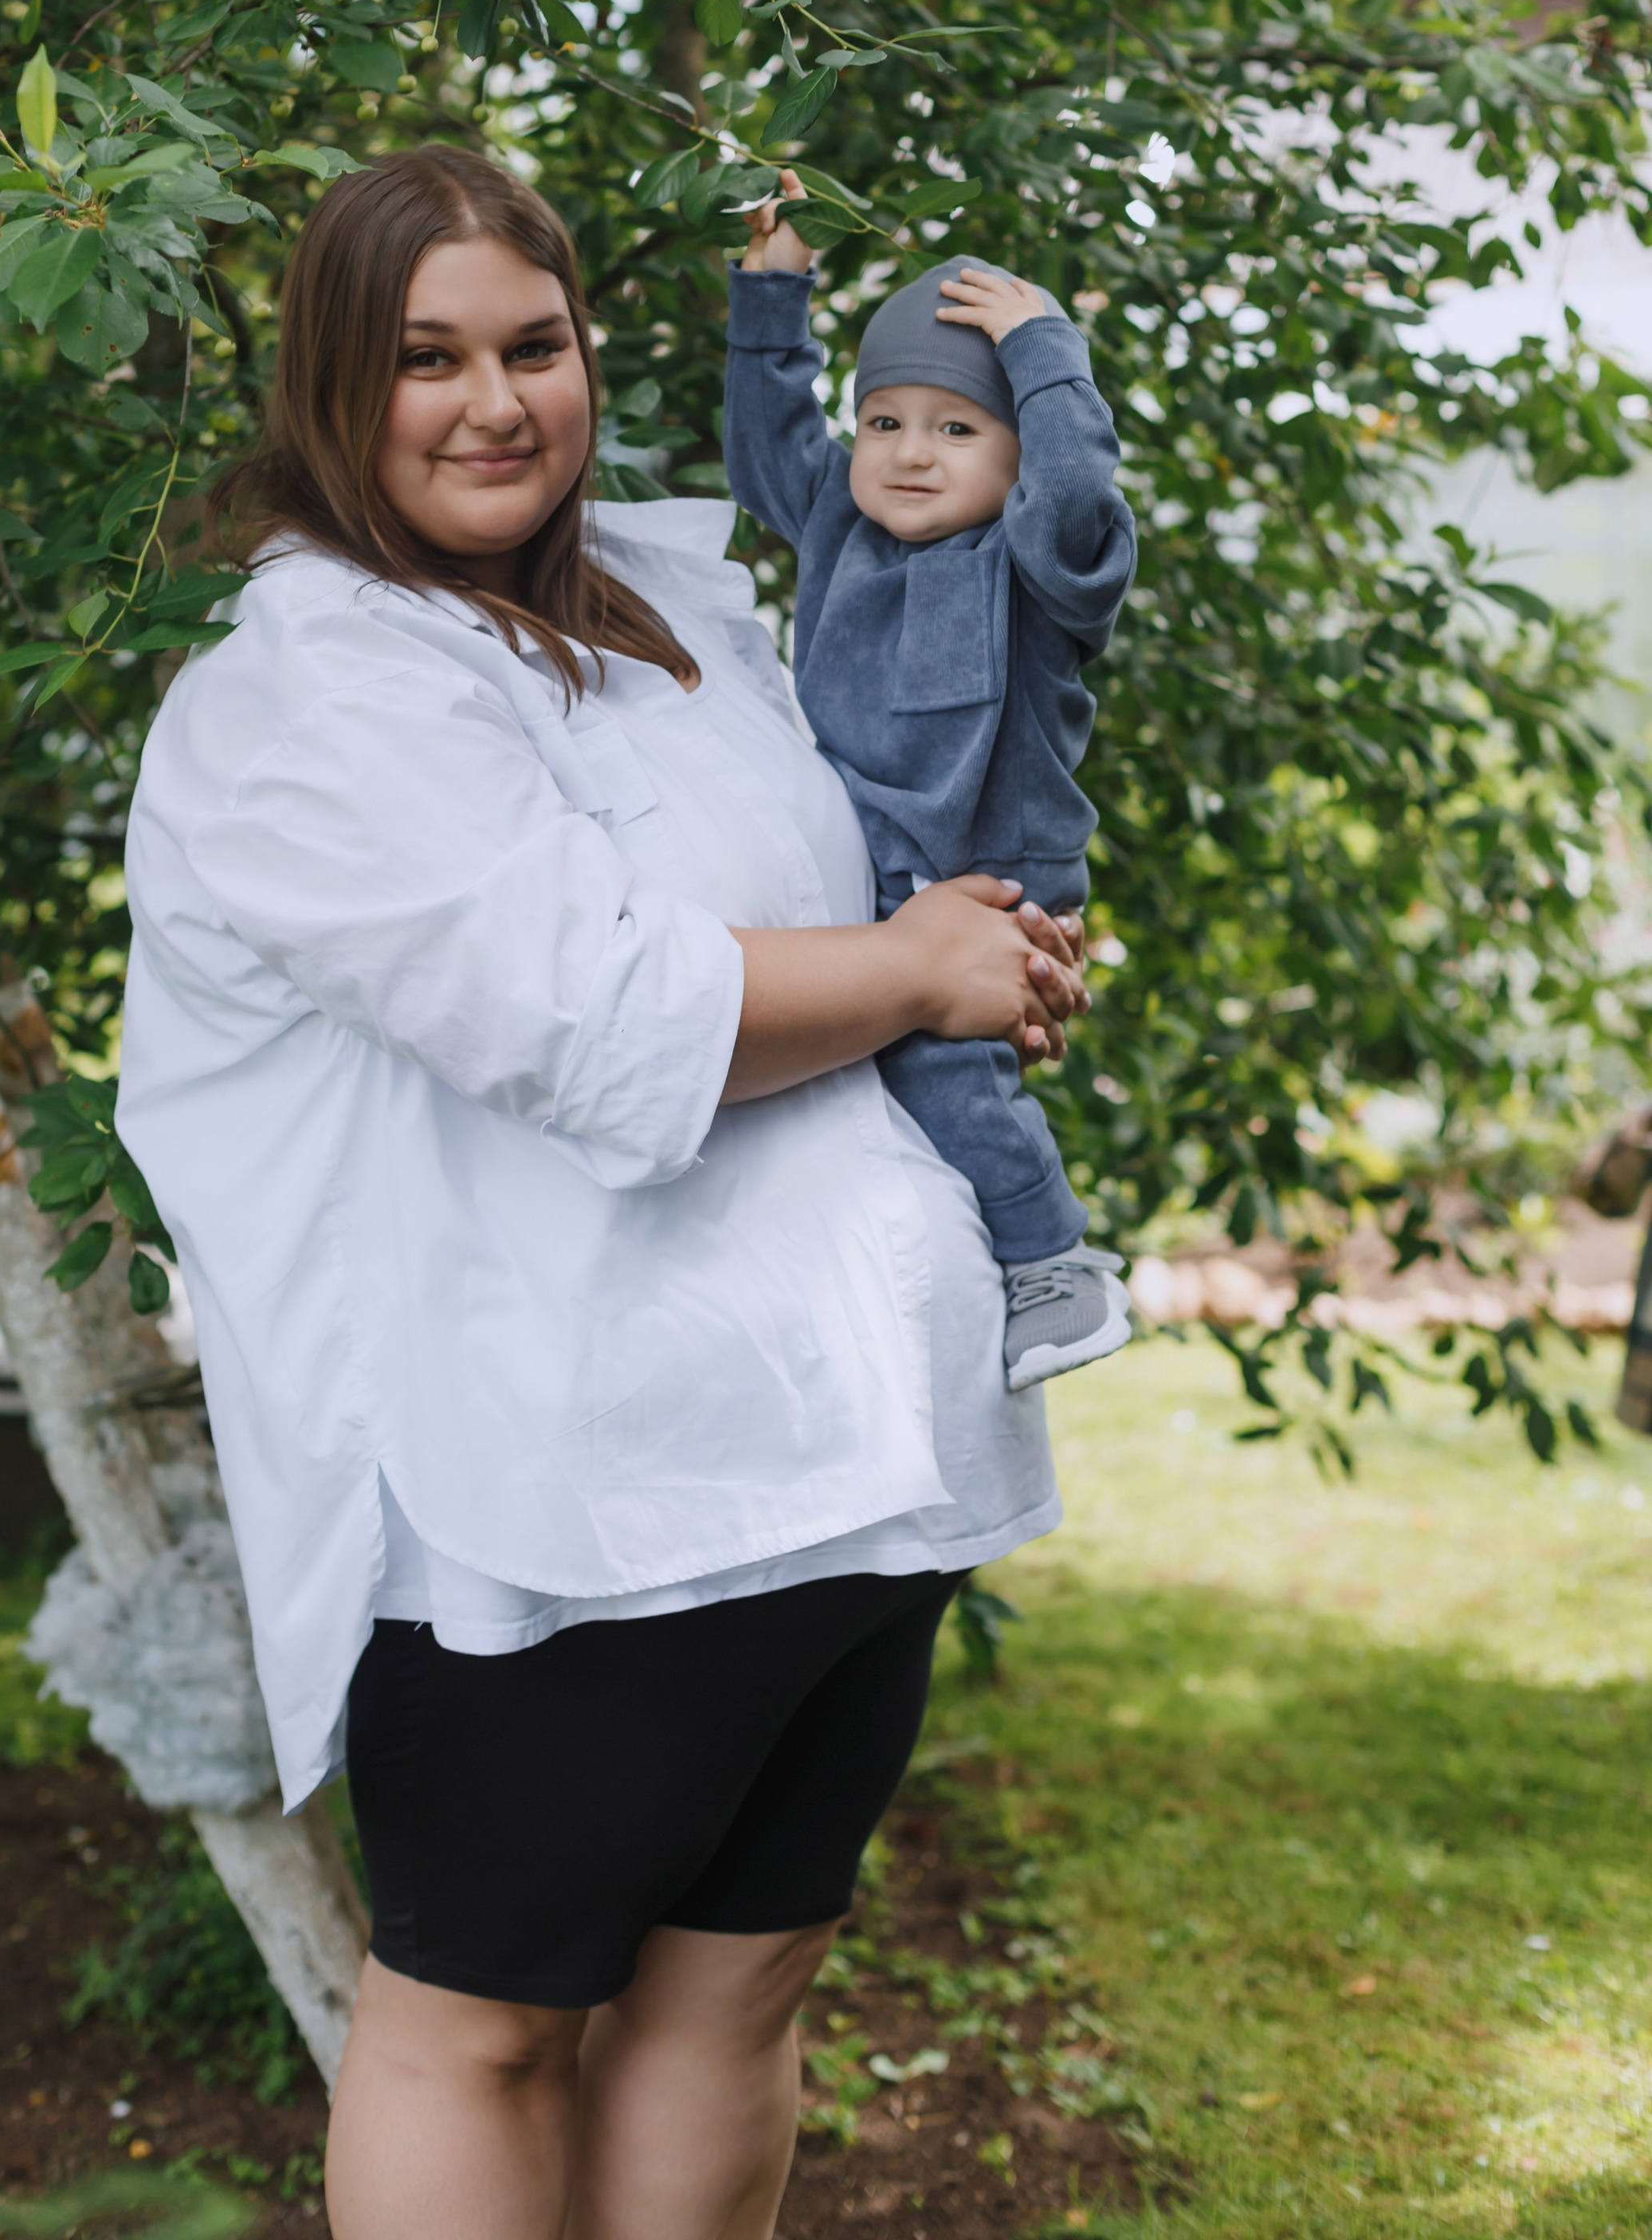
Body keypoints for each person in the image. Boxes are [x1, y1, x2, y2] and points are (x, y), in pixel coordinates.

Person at [116, 147, 1089, 2240]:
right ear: (327, 390)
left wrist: (972, 957)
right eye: (425, 360)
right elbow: (592, 1014)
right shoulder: (317, 684)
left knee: (735, 2004)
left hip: (858, 1453)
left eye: (533, 346)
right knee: (482, 2026)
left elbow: (840, 906)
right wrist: (914, 972)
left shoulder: (671, 619)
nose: (496, 403)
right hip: (566, 1497)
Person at [725, 175, 1136, 1393]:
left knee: (943, 1065)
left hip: (990, 862)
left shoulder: (1038, 567)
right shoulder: (836, 523)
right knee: (835, 1060)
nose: (911, 454)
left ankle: (1051, 1263)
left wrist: (1049, 359)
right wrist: (771, 288)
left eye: (959, 430)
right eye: (889, 422)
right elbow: (769, 441)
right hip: (872, 862)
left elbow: (1076, 503)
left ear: (1018, 455)